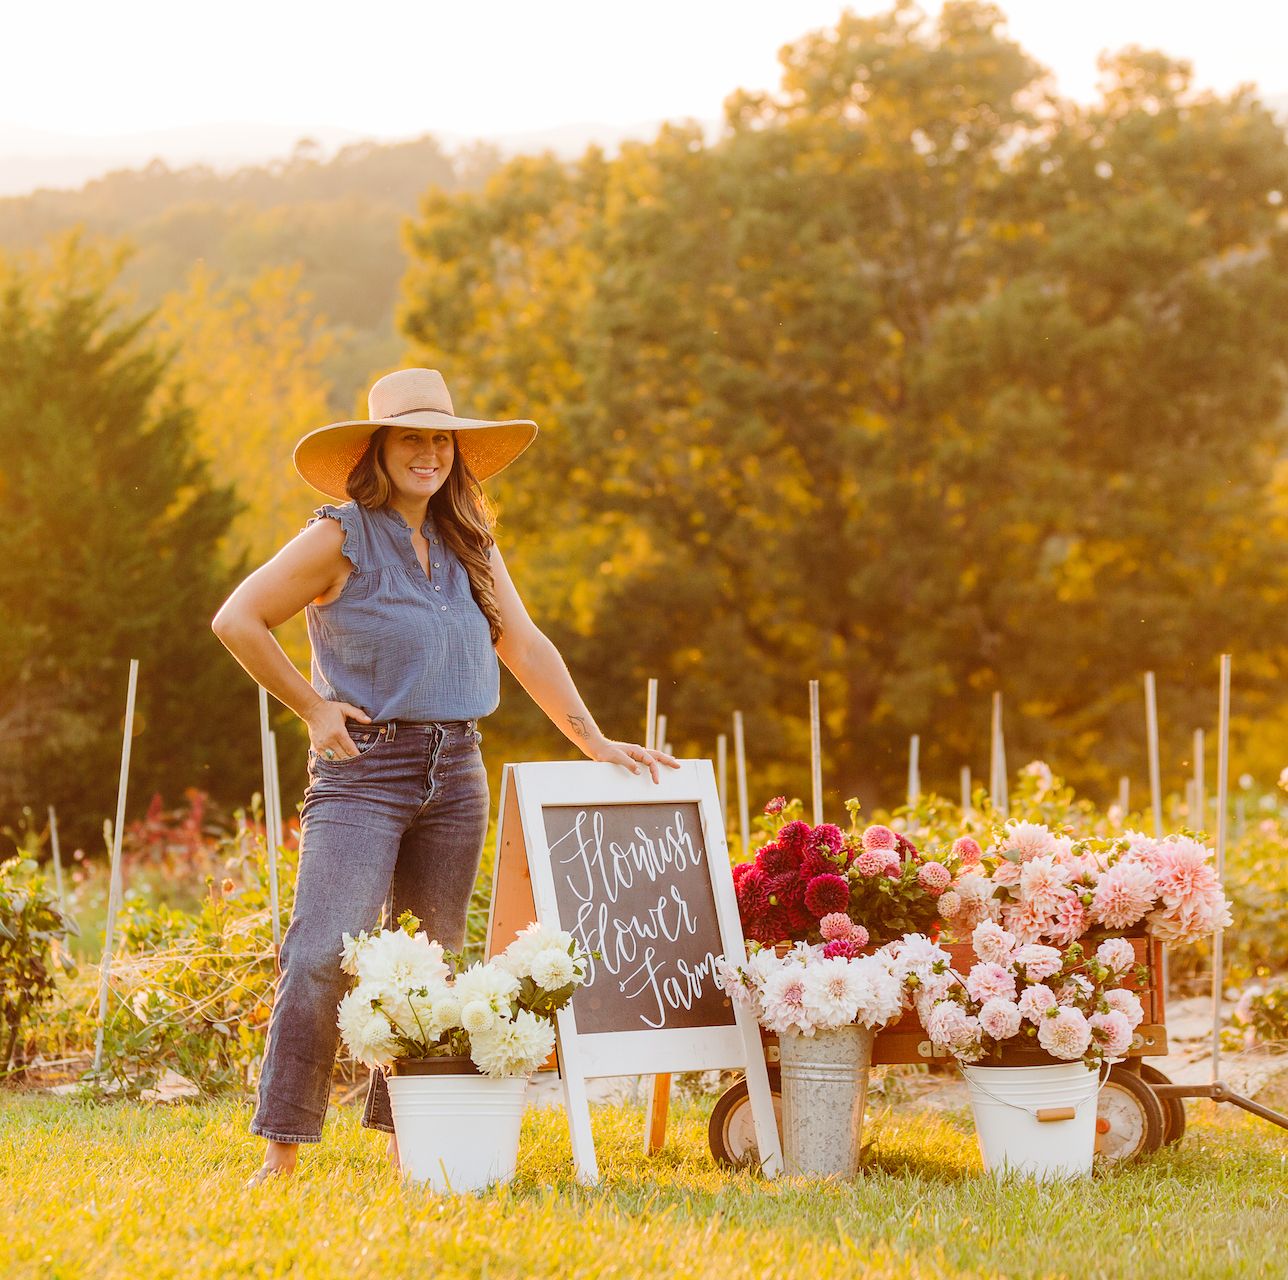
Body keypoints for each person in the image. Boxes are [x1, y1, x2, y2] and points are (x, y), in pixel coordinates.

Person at [212, 367, 677, 1184]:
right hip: (364, 772)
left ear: (454, 453)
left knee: (427, 965)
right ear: (379, 450)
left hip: (456, 770)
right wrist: (313, 709)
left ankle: (408, 1142)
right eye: (410, 438)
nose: (428, 453)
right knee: (323, 951)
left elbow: (525, 648)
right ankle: (281, 1151)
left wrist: (596, 741)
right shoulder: (339, 535)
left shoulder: (471, 546)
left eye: (440, 439)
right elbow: (237, 618)